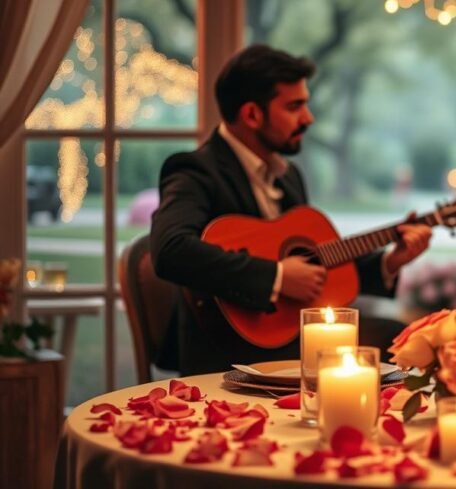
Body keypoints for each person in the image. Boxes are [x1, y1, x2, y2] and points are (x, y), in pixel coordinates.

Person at [151, 44, 432, 375]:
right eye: (294, 106)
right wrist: (277, 277)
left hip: (291, 336)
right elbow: (170, 250)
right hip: (225, 348)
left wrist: (389, 261)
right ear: (252, 114)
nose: (308, 118)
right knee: (395, 340)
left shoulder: (288, 176)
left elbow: (316, 261)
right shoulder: (195, 170)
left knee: (413, 337)